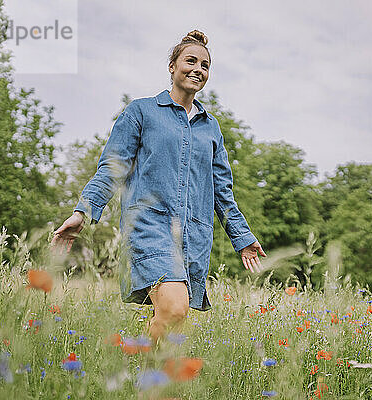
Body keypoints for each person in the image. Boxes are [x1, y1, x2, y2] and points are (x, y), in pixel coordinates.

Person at [51, 29, 266, 342]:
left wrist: (241, 236)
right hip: (149, 226)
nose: (198, 69)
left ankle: (147, 379)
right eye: (190, 61)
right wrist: (83, 212)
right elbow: (113, 168)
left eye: (205, 65)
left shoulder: (211, 127)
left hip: (193, 234)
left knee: (170, 316)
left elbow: (222, 190)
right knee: (176, 309)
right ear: (172, 66)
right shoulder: (142, 112)